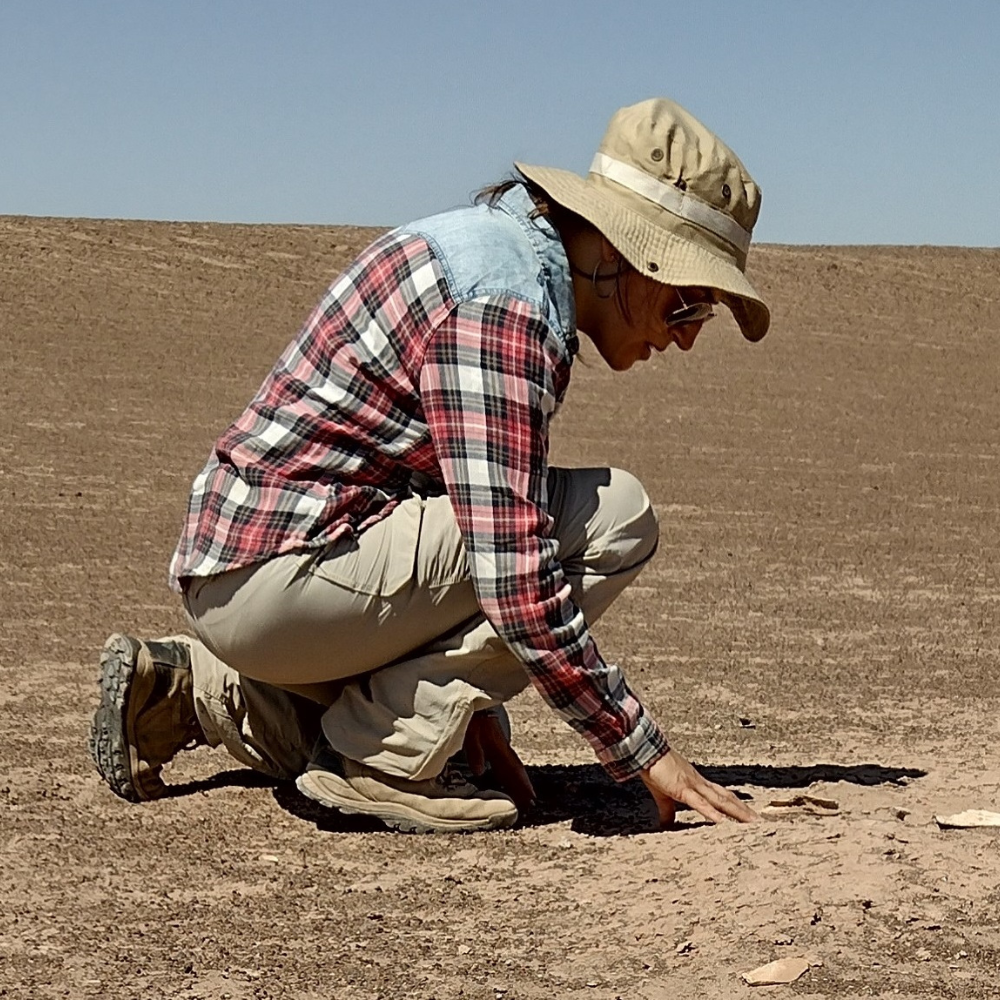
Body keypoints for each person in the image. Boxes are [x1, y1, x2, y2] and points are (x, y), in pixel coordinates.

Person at [89, 97, 768, 833]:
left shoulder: (498, 257)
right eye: (687, 305)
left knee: (447, 727)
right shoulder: (504, 305)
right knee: (617, 514)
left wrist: (463, 708)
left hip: (253, 581)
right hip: (288, 577)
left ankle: (195, 690)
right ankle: (382, 761)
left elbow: (436, 494)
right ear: (623, 253)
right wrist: (638, 748)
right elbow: (510, 569)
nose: (689, 339)